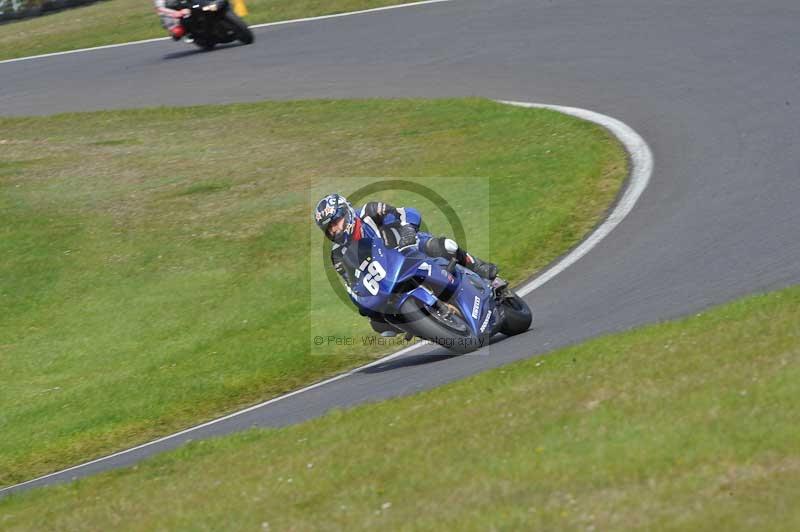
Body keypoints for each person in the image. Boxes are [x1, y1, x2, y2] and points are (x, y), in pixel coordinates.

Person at [314, 193, 498, 335]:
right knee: (377, 323)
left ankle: (477, 266)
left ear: (346, 212)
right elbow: (351, 284)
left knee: (442, 246)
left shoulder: (369, 212)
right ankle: (420, 325)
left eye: (336, 222)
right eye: (328, 228)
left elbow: (407, 213)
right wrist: (363, 302)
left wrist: (408, 230)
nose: (334, 229)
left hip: (406, 247)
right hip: (386, 279)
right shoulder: (337, 254)